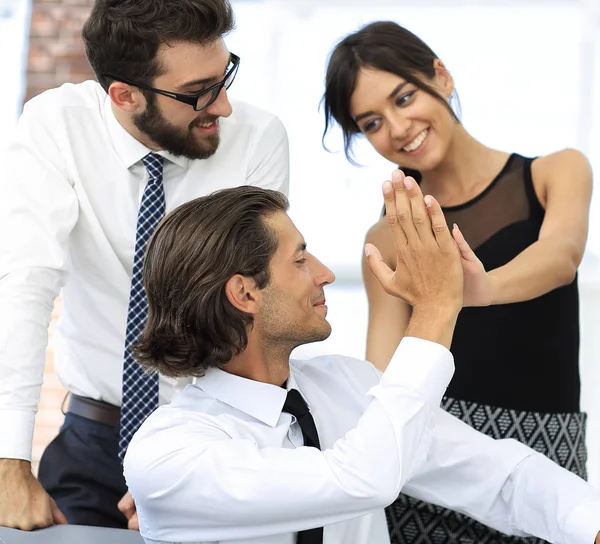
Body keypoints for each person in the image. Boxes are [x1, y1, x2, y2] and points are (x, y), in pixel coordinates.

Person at [123, 181, 600, 544]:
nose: (325, 274)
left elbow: (499, 477)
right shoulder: (168, 454)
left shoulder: (348, 385)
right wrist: (435, 310)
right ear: (244, 293)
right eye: (300, 260)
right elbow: (362, 479)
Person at [0, 0, 289, 532]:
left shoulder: (258, 138)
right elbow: (24, 283)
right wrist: (8, 462)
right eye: (198, 92)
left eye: (225, 76)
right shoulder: (56, 126)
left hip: (211, 435)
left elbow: (255, 316)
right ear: (124, 95)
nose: (223, 107)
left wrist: (185, 462)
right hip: (92, 441)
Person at [321, 21, 593, 543]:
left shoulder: (555, 172)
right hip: (437, 465)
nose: (398, 128)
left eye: (403, 97)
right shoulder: (388, 233)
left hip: (548, 458)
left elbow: (561, 256)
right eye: (372, 122)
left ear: (440, 77)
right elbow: (383, 374)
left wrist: (477, 290)